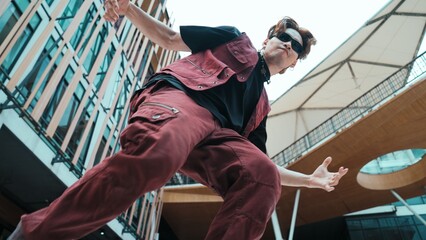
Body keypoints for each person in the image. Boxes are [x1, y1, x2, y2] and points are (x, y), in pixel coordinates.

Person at [8, 0, 348, 239]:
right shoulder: (234, 39)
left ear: (292, 65)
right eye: (284, 38)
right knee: (162, 151)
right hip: (180, 102)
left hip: (213, 140)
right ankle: (36, 233)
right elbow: (170, 38)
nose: (288, 46)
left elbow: (263, 166)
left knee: (262, 178)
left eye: (296, 48)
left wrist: (310, 181)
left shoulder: (260, 105)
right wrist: (128, 8)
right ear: (267, 39)